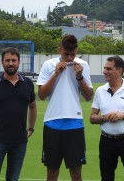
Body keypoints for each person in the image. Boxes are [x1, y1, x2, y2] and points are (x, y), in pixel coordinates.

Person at [36, 34, 94, 181]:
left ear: (77, 51)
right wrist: (56, 74)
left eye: (73, 54)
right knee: (52, 172)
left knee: (76, 173)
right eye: (66, 54)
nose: (69, 58)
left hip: (74, 124)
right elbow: (41, 95)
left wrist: (79, 76)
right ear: (59, 49)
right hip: (52, 123)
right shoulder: (49, 65)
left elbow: (88, 96)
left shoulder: (83, 65)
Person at [0, 47, 37, 181]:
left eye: (14, 60)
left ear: (19, 62)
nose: (10, 63)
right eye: (7, 60)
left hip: (20, 141)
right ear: (2, 62)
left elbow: (33, 106)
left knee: (13, 178)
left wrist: (31, 128)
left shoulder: (27, 83)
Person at [90, 56, 124, 181]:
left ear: (119, 70)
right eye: (104, 68)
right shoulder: (100, 91)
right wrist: (104, 117)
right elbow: (92, 118)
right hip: (106, 141)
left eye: (108, 68)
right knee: (106, 178)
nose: (104, 71)